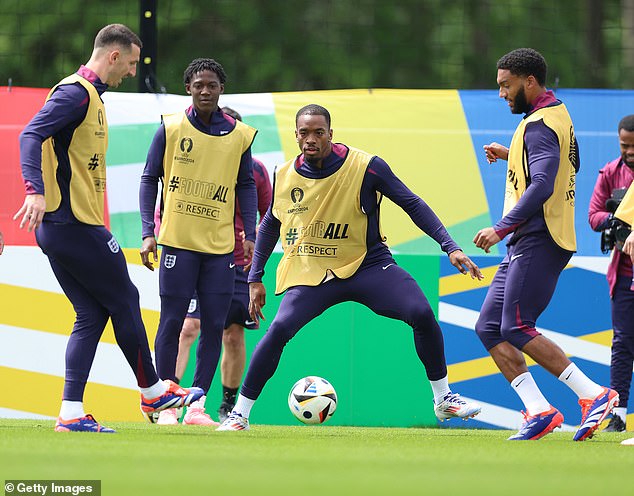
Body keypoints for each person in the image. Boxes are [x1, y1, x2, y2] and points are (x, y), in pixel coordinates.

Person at [217, 103, 484, 431]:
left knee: (421, 313)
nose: (311, 139)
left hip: (368, 266)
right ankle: (239, 415)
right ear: (296, 135)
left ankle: (443, 399)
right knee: (279, 330)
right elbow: (271, 221)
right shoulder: (285, 174)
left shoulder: (366, 166)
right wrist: (254, 276)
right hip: (313, 272)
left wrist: (450, 246)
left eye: (318, 132)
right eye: (304, 133)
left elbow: (411, 202)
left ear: (331, 133)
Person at [13, 24, 204, 433]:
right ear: (114, 56)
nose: (133, 72)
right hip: (73, 225)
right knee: (126, 296)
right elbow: (30, 134)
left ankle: (70, 412)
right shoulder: (74, 94)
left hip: (63, 228)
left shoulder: (91, 97)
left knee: (91, 314)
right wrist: (34, 191)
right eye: (132, 63)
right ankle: (153, 390)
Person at [472, 47, 618, 441]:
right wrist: (513, 155)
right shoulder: (556, 114)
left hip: (539, 237)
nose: (502, 93)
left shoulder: (538, 125)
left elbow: (544, 183)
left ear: (528, 81)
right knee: (489, 327)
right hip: (533, 237)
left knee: (516, 325)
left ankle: (594, 395)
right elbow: (569, 165)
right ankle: (539, 410)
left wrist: (500, 228)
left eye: (506, 85)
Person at [139, 59, 258, 427]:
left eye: (211, 85)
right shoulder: (171, 128)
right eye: (198, 84)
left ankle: (197, 406)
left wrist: (251, 235)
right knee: (172, 322)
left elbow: (247, 185)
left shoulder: (240, 135)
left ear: (222, 88)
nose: (205, 90)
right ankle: (165, 403)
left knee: (214, 325)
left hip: (220, 249)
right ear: (188, 88)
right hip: (177, 242)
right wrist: (148, 232)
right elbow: (149, 179)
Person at [155, 107, 272, 425]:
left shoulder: (256, 172)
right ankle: (170, 403)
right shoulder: (193, 163)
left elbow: (268, 214)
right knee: (188, 327)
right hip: (195, 253)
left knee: (232, 334)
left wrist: (254, 242)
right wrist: (158, 233)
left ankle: (222, 406)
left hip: (237, 263)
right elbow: (166, 202)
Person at [588, 115, 634, 432]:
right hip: (624, 274)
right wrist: (619, 221)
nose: (629, 151)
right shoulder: (610, 172)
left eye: (633, 145)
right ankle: (616, 414)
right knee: (622, 344)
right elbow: (593, 216)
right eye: (624, 145)